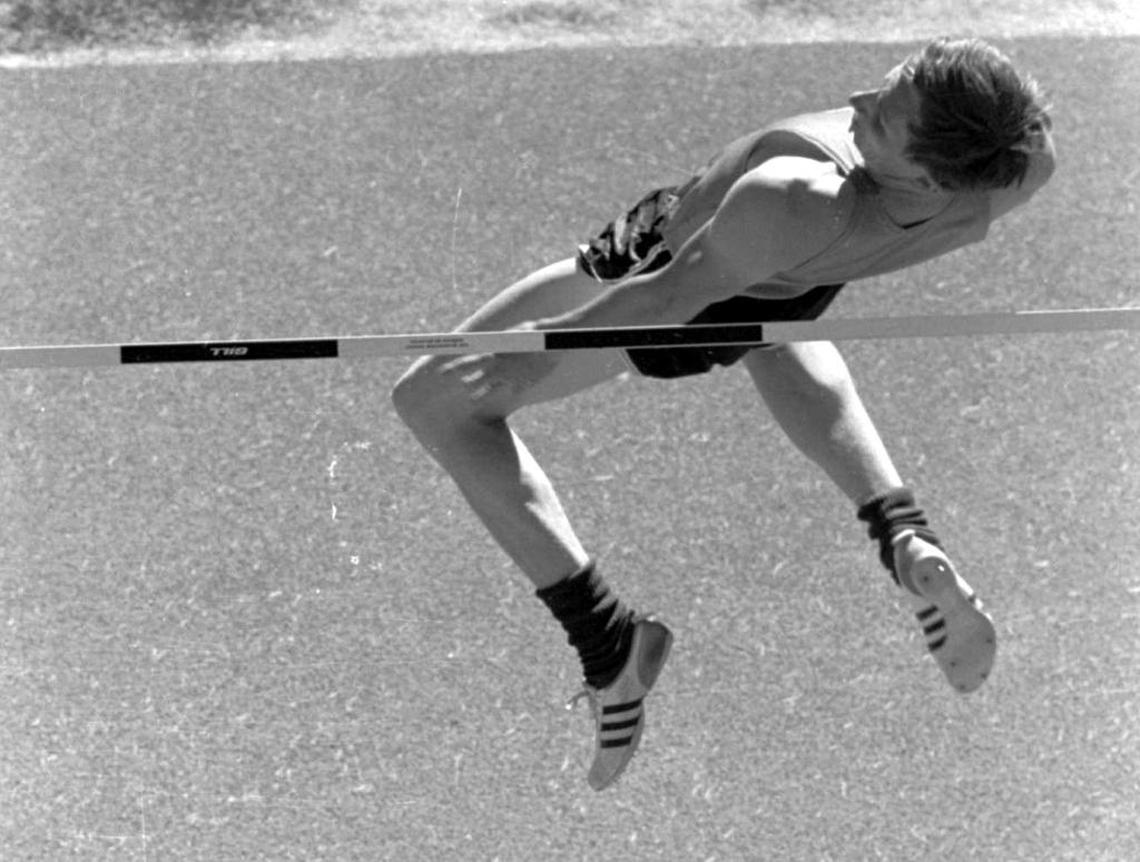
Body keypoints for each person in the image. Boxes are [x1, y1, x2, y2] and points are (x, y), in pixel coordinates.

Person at [390, 37, 1055, 791]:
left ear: (930, 169)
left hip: (684, 285)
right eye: (885, 86)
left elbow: (663, 298)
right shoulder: (1011, 172)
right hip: (792, 279)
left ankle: (607, 639)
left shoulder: (792, 196)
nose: (859, 102)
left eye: (884, 117)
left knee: (433, 402)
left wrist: (520, 360)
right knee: (775, 338)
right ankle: (900, 528)